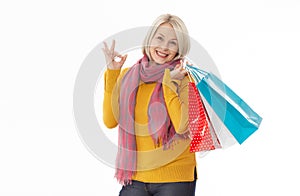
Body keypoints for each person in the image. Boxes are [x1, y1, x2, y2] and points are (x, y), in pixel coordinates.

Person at [102, 14, 197, 196]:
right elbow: (110, 120)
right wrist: (113, 73)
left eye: (173, 42)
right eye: (159, 38)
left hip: (175, 177)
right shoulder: (129, 76)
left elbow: (182, 125)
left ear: (179, 48)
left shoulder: (184, 77)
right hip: (136, 176)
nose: (163, 47)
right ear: (150, 39)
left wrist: (169, 83)